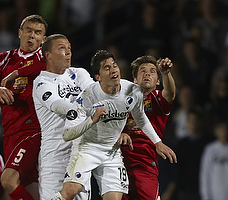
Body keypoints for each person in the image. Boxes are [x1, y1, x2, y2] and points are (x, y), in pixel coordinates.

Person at [52, 50, 177, 200]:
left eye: (114, 65)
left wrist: (158, 142)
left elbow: (145, 116)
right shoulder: (88, 97)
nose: (113, 70)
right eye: (107, 68)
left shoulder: (137, 94)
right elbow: (68, 134)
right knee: (71, 191)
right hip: (95, 148)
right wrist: (93, 120)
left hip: (127, 157)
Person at [0, 14, 48, 200]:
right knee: (29, 187)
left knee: (8, 180)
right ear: (19, 33)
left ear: (43, 39)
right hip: (10, 132)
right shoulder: (3, 58)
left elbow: (53, 64)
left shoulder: (45, 59)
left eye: (37, 33)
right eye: (28, 31)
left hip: (32, 129)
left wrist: (18, 73)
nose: (32, 36)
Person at [32, 34, 94, 200]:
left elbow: (97, 96)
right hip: (55, 159)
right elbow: (60, 106)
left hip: (80, 157)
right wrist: (86, 108)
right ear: (48, 55)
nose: (68, 53)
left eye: (69, 48)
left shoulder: (79, 73)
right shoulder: (41, 83)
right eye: (62, 48)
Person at [118, 55, 176, 200]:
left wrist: (166, 73)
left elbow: (170, 93)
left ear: (158, 80)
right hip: (117, 164)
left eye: (152, 71)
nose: (147, 73)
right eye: (142, 71)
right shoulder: (121, 100)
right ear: (135, 80)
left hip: (144, 165)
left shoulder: (157, 99)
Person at [199, 120, 228, 200]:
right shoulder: (210, 150)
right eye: (221, 129)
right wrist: (206, 196)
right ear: (216, 131)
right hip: (215, 194)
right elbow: (205, 173)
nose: (224, 132)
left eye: (225, 129)